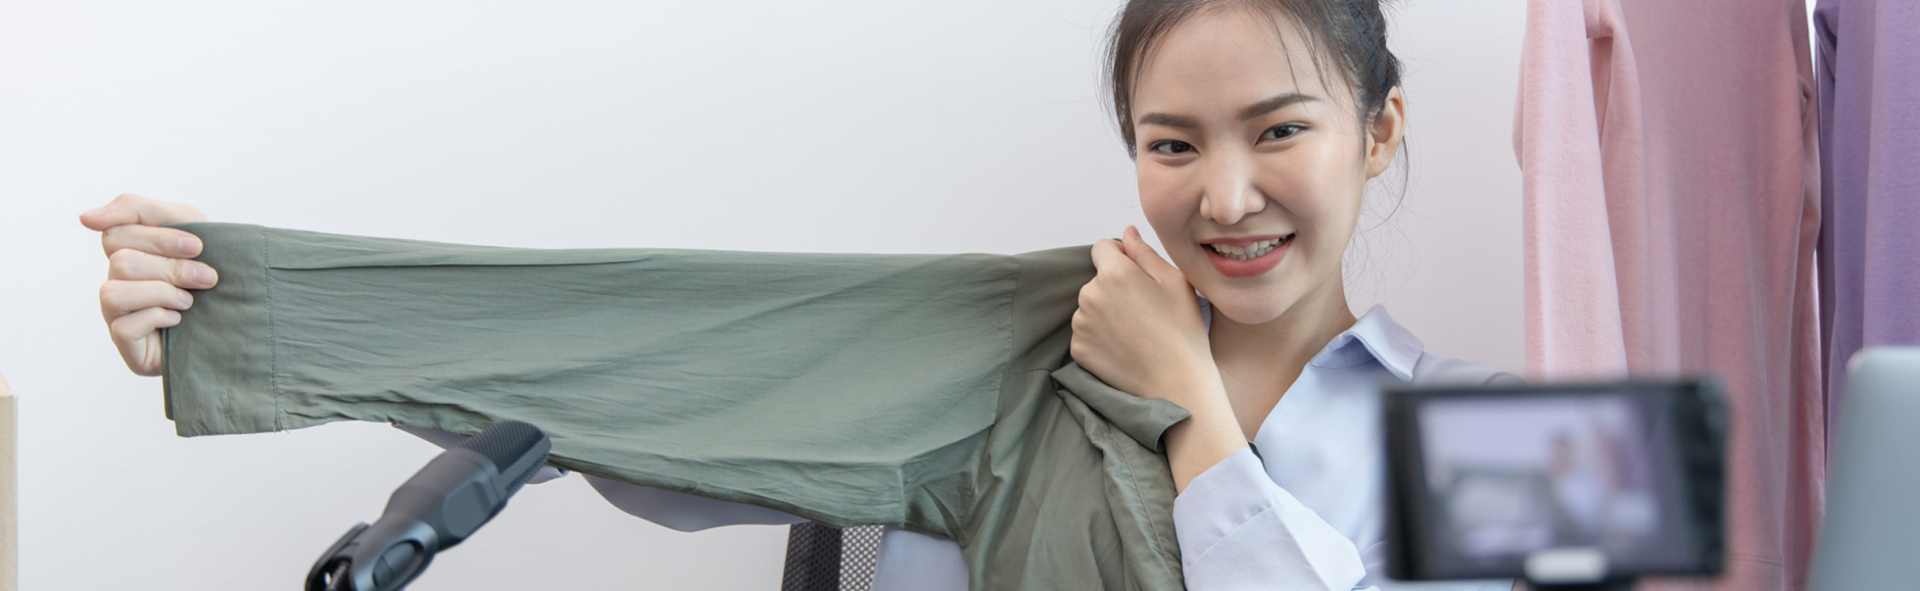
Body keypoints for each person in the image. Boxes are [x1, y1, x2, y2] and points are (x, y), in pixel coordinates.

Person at [81, 0, 1516, 588]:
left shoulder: (1500, 441)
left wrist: (1193, 411)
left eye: (1280, 130)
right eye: (1171, 142)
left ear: (1378, 131)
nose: (1224, 195)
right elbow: (679, 391)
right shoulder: (1023, 357)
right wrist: (261, 303)